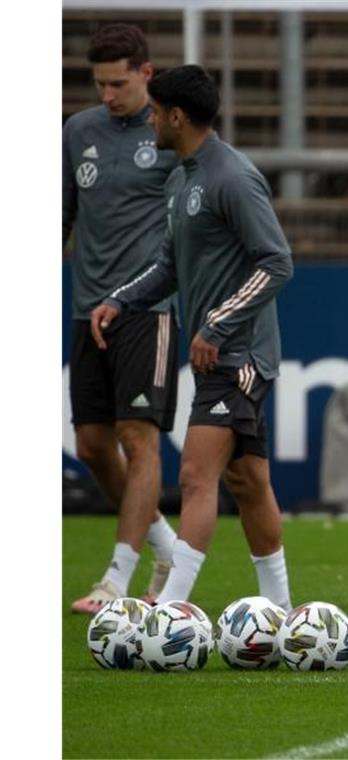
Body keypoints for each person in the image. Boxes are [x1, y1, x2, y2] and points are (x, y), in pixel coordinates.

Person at [90, 65, 294, 611]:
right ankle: (279, 610)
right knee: (249, 482)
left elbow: (276, 263)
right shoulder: (181, 177)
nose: (149, 120)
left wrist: (215, 325)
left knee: (196, 475)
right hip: (217, 352)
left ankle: (171, 609)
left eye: (154, 112)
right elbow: (169, 264)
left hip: (240, 354)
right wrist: (120, 298)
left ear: (176, 116)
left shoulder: (233, 177)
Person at [64, 24, 179, 613]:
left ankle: (116, 580)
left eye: (118, 83)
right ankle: (166, 545)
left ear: (146, 74)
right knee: (90, 445)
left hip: (146, 309)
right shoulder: (78, 131)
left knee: (140, 440)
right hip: (87, 310)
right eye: (99, 84)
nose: (108, 96)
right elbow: (63, 216)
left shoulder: (168, 132)